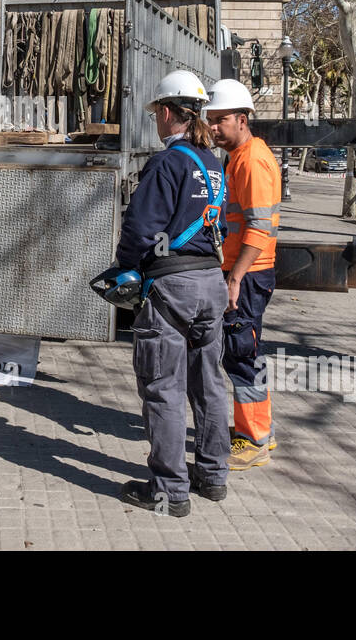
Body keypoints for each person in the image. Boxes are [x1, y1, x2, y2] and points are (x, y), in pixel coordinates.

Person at [117, 70, 231, 517]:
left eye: (156, 114)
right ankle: (212, 476)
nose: (156, 121)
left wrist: (125, 267)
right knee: (209, 386)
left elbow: (141, 227)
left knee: (163, 388)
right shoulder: (213, 163)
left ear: (166, 112)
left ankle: (169, 491)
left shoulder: (167, 163)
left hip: (171, 289)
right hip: (210, 283)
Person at [203, 78, 281, 470]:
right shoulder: (242, 156)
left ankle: (252, 440)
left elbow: (259, 226)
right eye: (210, 120)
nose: (214, 128)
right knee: (245, 352)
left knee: (241, 356)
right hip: (245, 271)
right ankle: (258, 430)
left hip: (248, 275)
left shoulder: (251, 160)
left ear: (243, 118)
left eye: (221, 120)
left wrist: (234, 278)